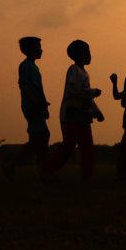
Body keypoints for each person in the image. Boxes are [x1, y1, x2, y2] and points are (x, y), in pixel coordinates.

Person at [43, 39, 104, 182]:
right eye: (87, 52)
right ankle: (48, 171)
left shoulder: (84, 73)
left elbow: (86, 96)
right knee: (70, 143)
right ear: (78, 54)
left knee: (87, 146)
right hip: (70, 113)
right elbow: (74, 90)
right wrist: (93, 92)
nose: (90, 55)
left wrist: (96, 111)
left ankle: (87, 176)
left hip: (83, 114)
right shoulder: (73, 70)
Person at [2, 36, 50, 181]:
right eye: (38, 47)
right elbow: (25, 86)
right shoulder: (26, 66)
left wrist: (43, 104)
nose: (41, 50)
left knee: (39, 139)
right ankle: (15, 166)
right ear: (29, 49)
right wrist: (36, 103)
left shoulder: (33, 66)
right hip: (32, 107)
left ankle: (39, 170)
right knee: (40, 137)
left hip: (36, 106)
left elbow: (37, 89)